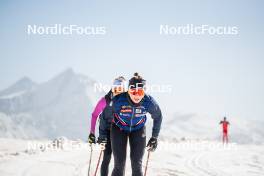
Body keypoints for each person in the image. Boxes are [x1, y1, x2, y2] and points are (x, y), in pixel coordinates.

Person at [98, 73, 163, 176]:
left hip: (138, 129)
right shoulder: (118, 100)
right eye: (133, 91)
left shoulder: (148, 101)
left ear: (144, 91)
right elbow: (104, 116)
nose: (137, 95)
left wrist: (154, 137)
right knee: (119, 165)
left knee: (137, 165)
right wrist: (102, 136)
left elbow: (158, 116)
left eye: (140, 92)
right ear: (128, 90)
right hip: (119, 129)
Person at [88, 76, 126, 176]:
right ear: (112, 88)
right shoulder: (105, 100)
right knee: (107, 157)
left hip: (119, 131)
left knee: (120, 160)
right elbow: (94, 115)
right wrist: (92, 133)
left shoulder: (126, 101)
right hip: (106, 131)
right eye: (116, 88)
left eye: (121, 89)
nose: (118, 91)